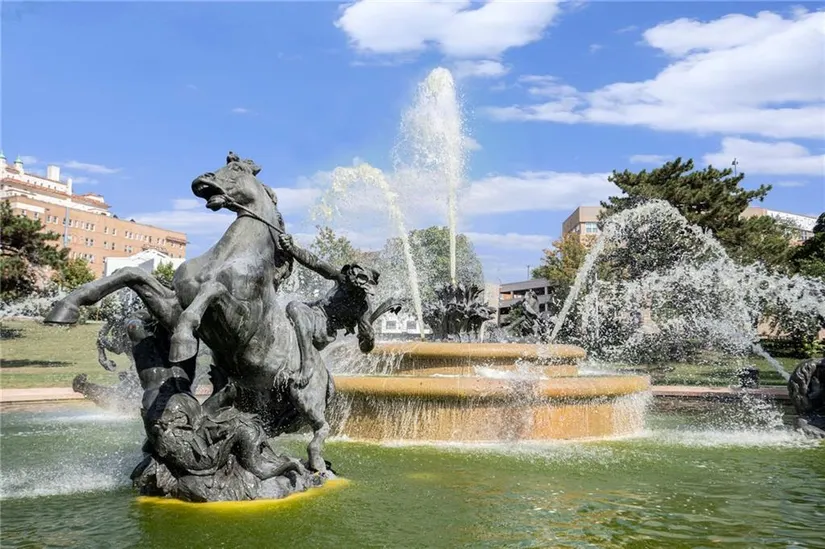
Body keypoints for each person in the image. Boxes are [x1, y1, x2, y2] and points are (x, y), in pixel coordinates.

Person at [278, 233, 398, 387]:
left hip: (324, 329)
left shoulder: (364, 309)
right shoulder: (343, 279)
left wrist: (368, 338)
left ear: (363, 289)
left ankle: (307, 364)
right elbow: (315, 263)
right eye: (349, 278)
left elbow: (365, 349)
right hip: (314, 311)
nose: (347, 282)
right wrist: (291, 248)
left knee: (294, 307)